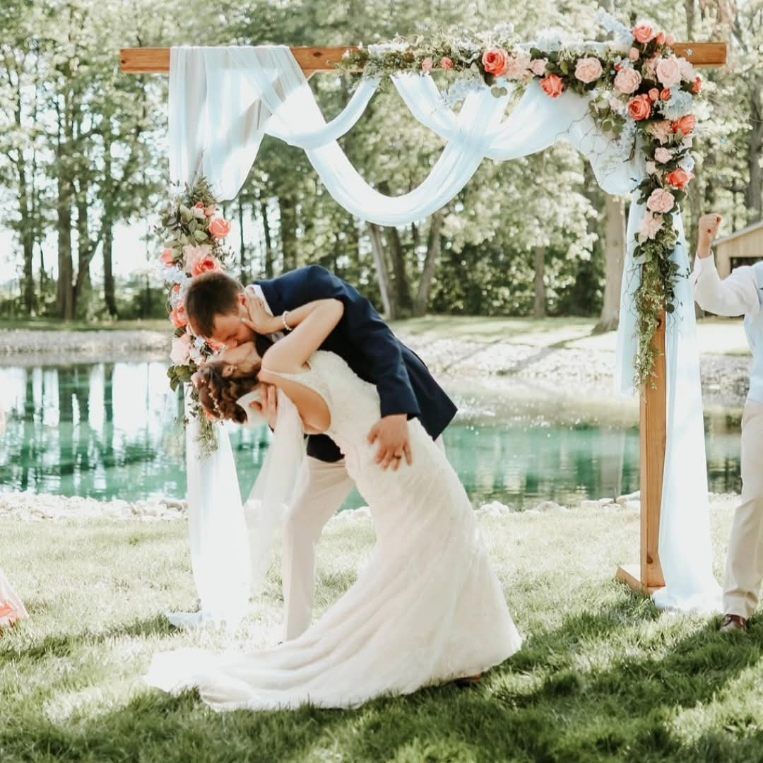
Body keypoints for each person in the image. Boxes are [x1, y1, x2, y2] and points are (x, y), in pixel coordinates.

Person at [147, 295, 521, 710]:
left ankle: (461, 652)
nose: (225, 346)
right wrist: (275, 323)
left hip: (380, 462)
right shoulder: (278, 366)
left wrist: (272, 345)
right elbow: (332, 309)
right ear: (232, 368)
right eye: (222, 350)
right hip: (399, 456)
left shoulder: (281, 387)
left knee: (428, 547)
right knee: (444, 538)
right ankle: (455, 651)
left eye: (223, 341)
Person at [184, 267, 457, 639]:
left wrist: (397, 411)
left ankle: (442, 623)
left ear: (241, 301)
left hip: (395, 416)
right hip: (336, 437)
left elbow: (379, 339)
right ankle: (295, 636)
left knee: (431, 516)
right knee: (298, 524)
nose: (232, 346)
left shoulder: (309, 285)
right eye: (223, 345)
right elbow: (288, 410)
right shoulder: (247, 351)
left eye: (231, 334)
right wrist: (278, 419)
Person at [692, 212, 763, 633]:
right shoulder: (756, 279)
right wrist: (705, 248)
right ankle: (736, 607)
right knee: (755, 498)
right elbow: (713, 299)